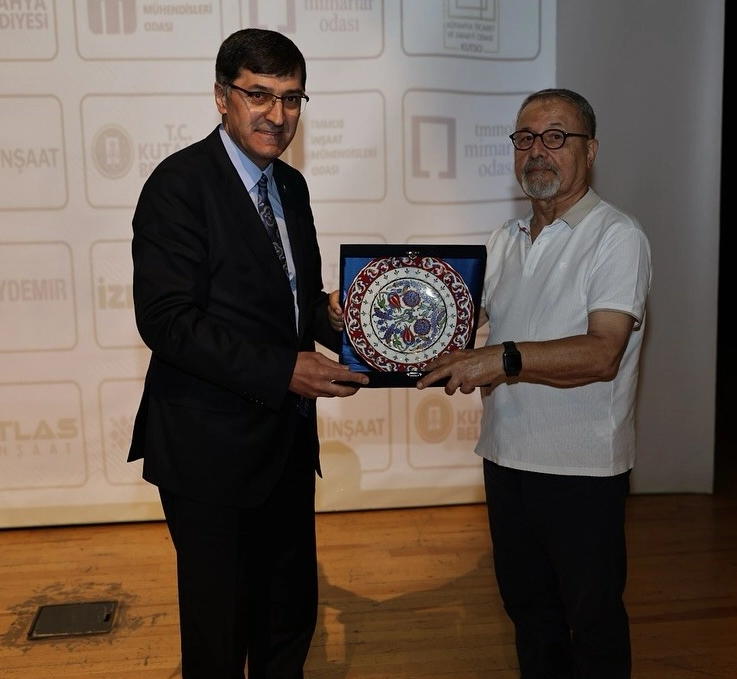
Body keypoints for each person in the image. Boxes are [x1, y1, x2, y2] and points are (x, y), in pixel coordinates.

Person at [333, 88, 651, 677]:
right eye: (525, 138)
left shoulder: (616, 236)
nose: (538, 151)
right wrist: (364, 310)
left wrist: (500, 360)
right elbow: (452, 327)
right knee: (529, 613)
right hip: (505, 459)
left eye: (555, 137)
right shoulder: (506, 238)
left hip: (581, 469)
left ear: (590, 150)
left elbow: (603, 352)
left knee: (593, 622)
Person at [128, 28, 369, 679]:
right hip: (208, 452)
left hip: (285, 445)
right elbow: (167, 322)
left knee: (287, 621)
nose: (277, 114)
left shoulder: (290, 186)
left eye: (291, 98)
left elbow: (292, 305)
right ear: (221, 97)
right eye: (258, 94)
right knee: (219, 634)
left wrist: (338, 317)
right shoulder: (178, 185)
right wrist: (284, 368)